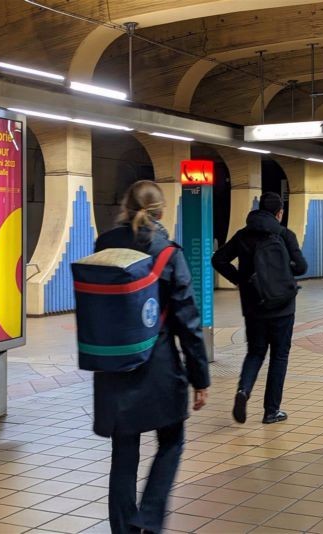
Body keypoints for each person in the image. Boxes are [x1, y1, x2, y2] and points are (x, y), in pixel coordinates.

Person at [93, 180, 210, 533]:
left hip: (112, 367)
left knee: (124, 452)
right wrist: (200, 378)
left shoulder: (103, 245)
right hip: (157, 366)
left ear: (125, 206)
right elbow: (187, 319)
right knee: (171, 440)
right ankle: (150, 517)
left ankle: (124, 527)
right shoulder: (167, 251)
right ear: (161, 211)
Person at [212, 192, 307, 424]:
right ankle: (271, 411)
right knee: (279, 356)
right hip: (282, 306)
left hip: (254, 305)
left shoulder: (244, 235)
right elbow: (302, 267)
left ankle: (243, 391)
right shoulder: (284, 235)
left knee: (255, 352)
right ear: (279, 213)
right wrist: (283, 271)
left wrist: (240, 280)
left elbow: (219, 259)